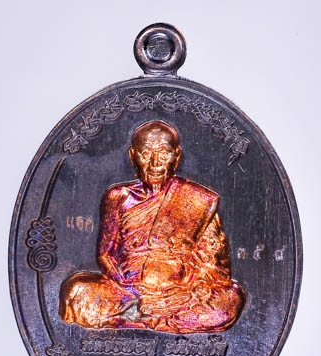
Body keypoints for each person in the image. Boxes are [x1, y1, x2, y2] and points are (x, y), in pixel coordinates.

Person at [59, 121, 244, 333]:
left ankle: (132, 317)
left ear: (177, 156)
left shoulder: (198, 201)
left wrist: (186, 288)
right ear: (133, 156)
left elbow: (215, 268)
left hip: (178, 293)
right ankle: (149, 316)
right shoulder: (118, 197)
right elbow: (105, 255)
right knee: (75, 290)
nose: (155, 163)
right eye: (146, 154)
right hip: (127, 292)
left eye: (164, 154)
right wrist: (130, 287)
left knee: (230, 300)